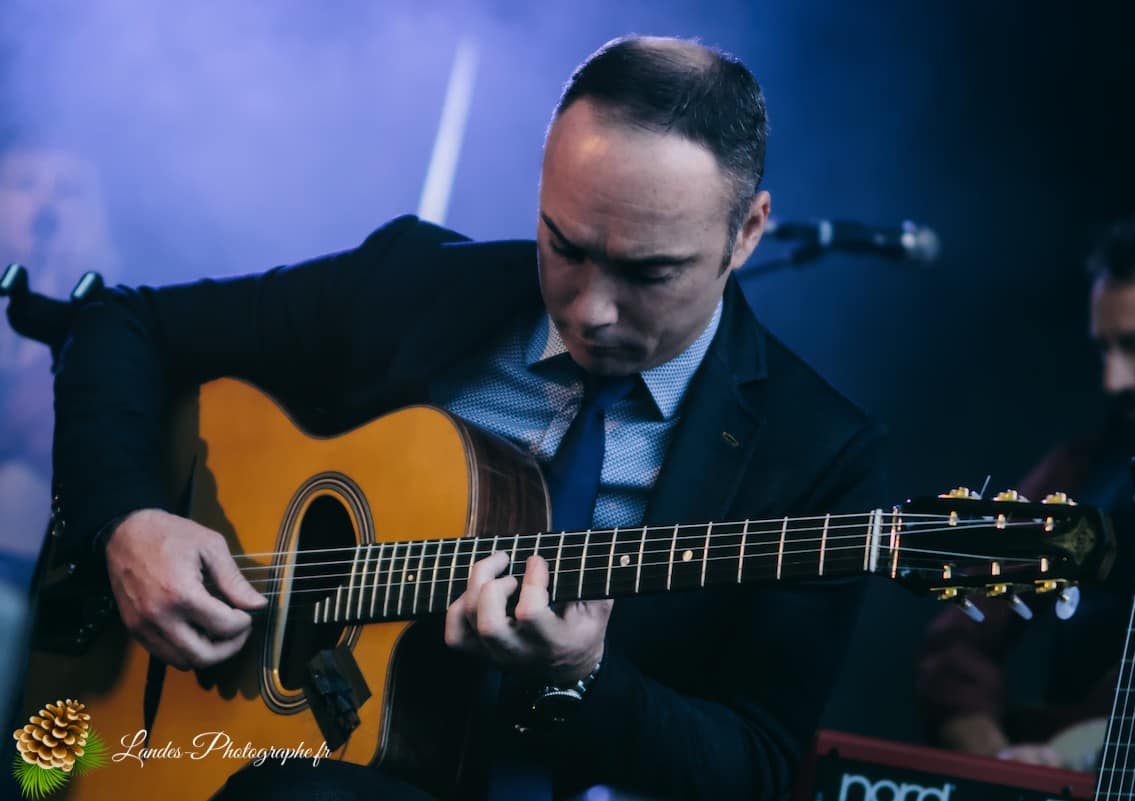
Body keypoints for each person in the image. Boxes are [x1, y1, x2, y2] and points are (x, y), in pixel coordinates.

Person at [49, 36, 886, 800]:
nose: (592, 310)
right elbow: (123, 323)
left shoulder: (815, 451)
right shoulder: (414, 285)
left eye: (648, 272)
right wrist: (126, 518)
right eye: (565, 244)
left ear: (747, 232)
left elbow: (761, 772)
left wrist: (583, 677)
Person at [916, 206, 1135, 773]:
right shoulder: (1084, 468)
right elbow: (957, 645)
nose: (1114, 380)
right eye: (1105, 349)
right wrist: (1002, 761)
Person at [1, 133, 120, 563]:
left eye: (68, 191)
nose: (44, 204)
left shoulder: (115, 318)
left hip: (50, 566)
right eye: (25, 183)